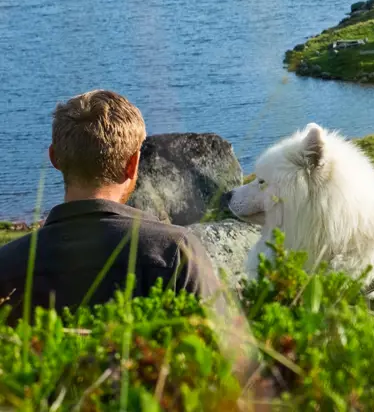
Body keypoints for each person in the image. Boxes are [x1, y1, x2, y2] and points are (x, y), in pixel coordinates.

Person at [0, 90, 221, 318]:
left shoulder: (7, 263)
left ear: (54, 158)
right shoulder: (175, 251)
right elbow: (221, 344)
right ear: (133, 164)